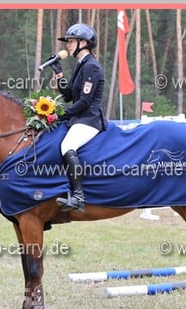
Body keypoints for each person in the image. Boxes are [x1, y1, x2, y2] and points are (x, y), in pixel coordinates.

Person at [48, 23, 106, 212]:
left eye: (71, 41)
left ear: (84, 43)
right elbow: (68, 95)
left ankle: (79, 197)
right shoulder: (80, 66)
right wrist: (58, 73)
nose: (67, 45)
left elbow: (84, 102)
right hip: (79, 118)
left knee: (67, 146)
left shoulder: (92, 67)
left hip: (89, 120)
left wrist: (61, 115)